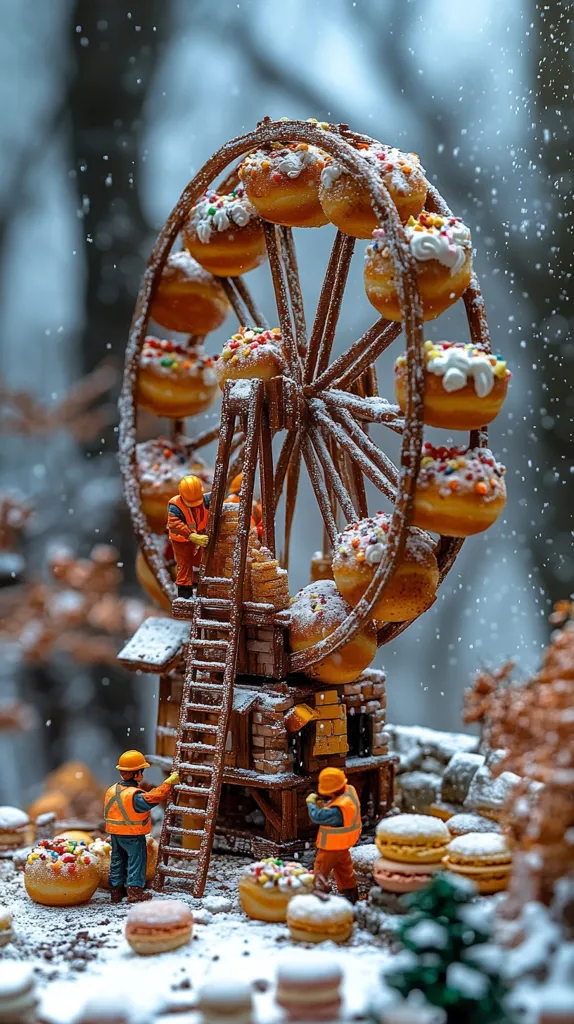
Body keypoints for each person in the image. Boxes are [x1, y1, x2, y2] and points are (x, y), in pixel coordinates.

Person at [103, 750, 179, 904]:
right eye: (141, 771)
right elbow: (153, 798)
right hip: (132, 835)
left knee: (117, 862)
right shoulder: (134, 795)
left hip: (115, 834)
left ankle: (116, 892)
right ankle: (135, 892)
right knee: (136, 862)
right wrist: (168, 783)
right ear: (136, 774)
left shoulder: (112, 790)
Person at [306, 766, 361, 904]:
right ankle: (351, 896)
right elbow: (336, 801)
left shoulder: (337, 812)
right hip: (343, 845)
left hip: (331, 847)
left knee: (320, 872)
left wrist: (311, 803)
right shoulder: (349, 791)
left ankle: (318, 898)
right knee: (345, 871)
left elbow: (317, 816)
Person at [167, 475, 210, 599]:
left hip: (200, 535)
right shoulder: (175, 507)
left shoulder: (206, 500)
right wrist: (191, 535)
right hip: (181, 539)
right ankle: (185, 595)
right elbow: (175, 524)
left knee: (207, 559)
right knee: (184, 565)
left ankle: (204, 588)